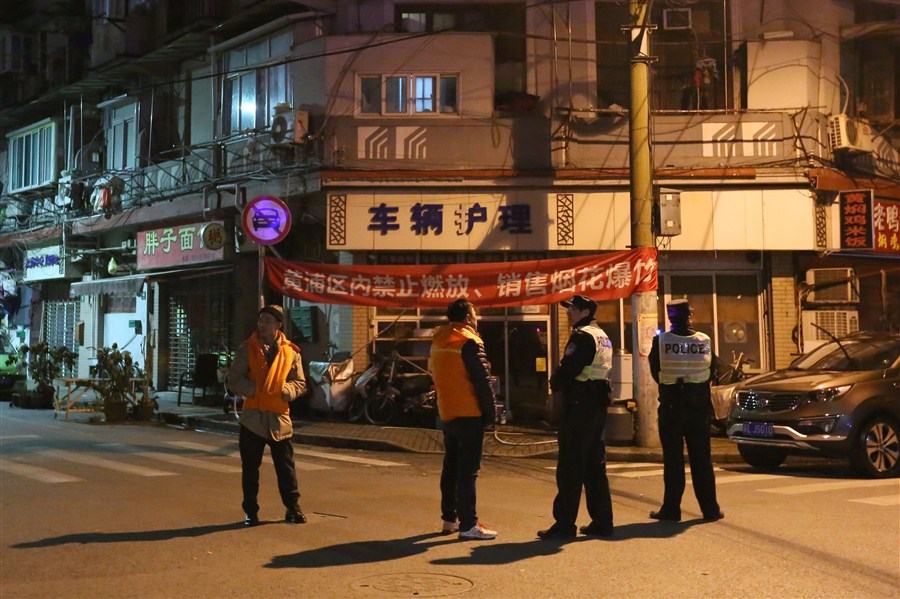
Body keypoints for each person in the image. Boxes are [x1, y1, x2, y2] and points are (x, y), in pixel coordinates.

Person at [538, 295, 614, 540]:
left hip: (580, 407)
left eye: (571, 309)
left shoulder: (582, 337)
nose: (568, 313)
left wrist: (555, 383)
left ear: (583, 311)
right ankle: (602, 521)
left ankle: (564, 525)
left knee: (570, 467)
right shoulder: (601, 335)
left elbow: (570, 368)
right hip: (597, 406)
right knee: (594, 467)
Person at [227, 304, 307, 527]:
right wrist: (254, 390)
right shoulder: (247, 349)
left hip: (279, 418)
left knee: (286, 469)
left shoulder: (291, 351)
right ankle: (250, 512)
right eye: (260, 321)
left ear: (278, 325)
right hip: (253, 418)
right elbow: (233, 380)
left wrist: (285, 391)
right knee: (250, 470)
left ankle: (293, 508)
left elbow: (300, 383)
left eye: (267, 321)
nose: (262, 325)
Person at [648, 299, 723, 522]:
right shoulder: (704, 340)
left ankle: (671, 510)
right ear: (689, 316)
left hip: (672, 407)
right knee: (702, 460)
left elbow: (655, 371)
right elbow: (712, 371)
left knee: (673, 461)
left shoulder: (660, 341)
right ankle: (710, 510)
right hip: (698, 407)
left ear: (670, 318)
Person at [430, 298, 498, 540]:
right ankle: (469, 524)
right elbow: (482, 382)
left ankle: (450, 520)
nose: (477, 318)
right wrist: (491, 415)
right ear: (468, 317)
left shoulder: (439, 340)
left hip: (447, 412)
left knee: (451, 468)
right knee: (467, 472)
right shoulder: (468, 342)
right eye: (475, 314)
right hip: (470, 413)